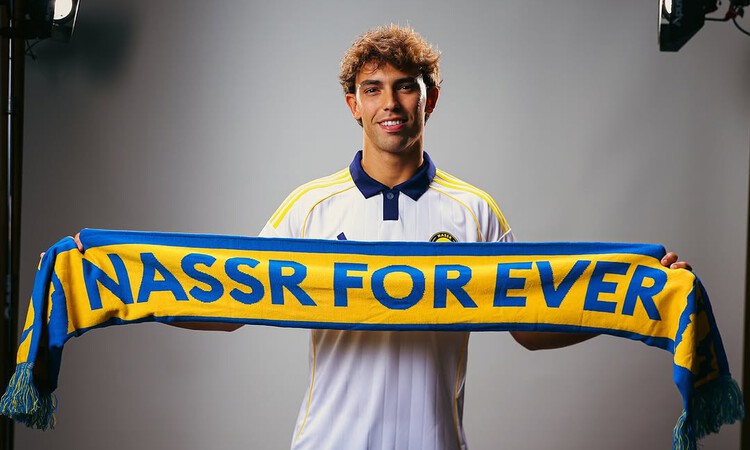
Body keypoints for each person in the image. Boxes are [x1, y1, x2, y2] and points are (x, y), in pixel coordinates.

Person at [70, 24, 690, 450]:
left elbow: (530, 324)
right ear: (354, 105)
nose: (390, 103)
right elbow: (230, 304)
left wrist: (634, 294)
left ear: (429, 99)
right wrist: (127, 281)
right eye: (373, 89)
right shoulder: (310, 209)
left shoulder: (474, 212)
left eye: (404, 87)